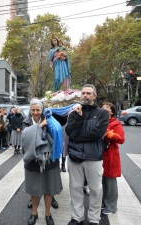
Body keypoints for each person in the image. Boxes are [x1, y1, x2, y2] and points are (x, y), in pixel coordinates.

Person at [65, 84, 109, 225]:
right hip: (75, 157)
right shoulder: (74, 113)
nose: (85, 95)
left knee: (95, 189)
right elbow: (69, 132)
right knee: (75, 188)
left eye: (88, 93)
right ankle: (77, 218)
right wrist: (78, 117)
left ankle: (94, 219)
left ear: (94, 96)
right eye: (83, 93)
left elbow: (98, 133)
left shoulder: (102, 113)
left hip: (94, 157)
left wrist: (77, 138)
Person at [22, 99, 62, 225]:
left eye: (38, 110)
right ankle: (34, 213)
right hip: (32, 161)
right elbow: (25, 137)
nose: (35, 112)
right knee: (34, 190)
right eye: (33, 110)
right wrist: (39, 127)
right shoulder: (26, 122)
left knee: (48, 189)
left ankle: (47, 213)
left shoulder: (49, 120)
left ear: (42, 110)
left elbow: (59, 130)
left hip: (49, 161)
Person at [101, 102, 125, 215]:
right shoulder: (99, 121)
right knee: (101, 182)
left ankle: (111, 206)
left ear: (112, 112)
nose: (104, 109)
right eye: (103, 107)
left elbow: (121, 139)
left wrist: (109, 134)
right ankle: (103, 203)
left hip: (110, 156)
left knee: (110, 182)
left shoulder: (116, 124)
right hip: (100, 155)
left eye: (107, 107)